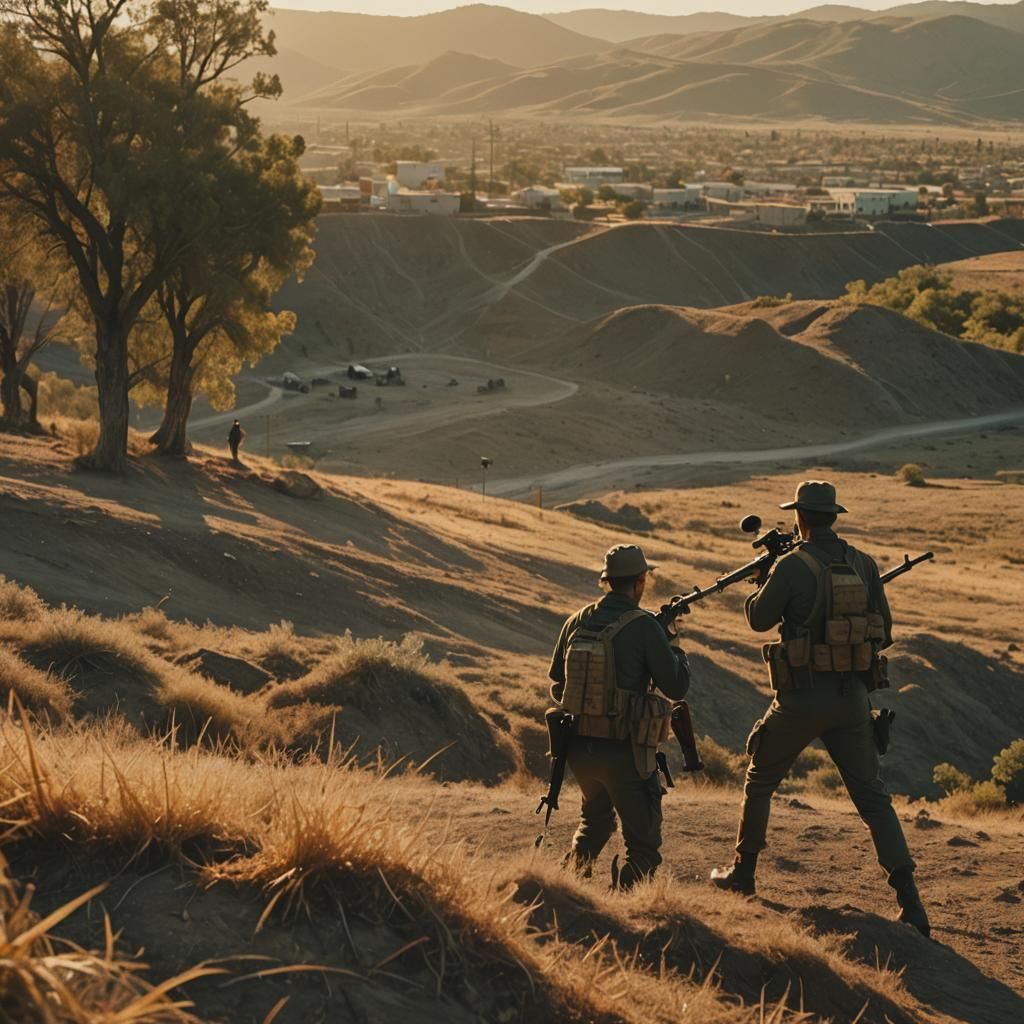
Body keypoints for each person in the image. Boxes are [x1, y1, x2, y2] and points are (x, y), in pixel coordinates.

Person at [709, 481, 930, 937]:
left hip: (801, 699)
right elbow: (883, 631)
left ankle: (743, 875)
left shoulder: (791, 565)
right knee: (874, 800)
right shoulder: (864, 563)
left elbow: (758, 619)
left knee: (760, 779)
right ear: (833, 516)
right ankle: (912, 905)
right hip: (852, 699)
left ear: (801, 518)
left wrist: (764, 583)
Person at [548, 544, 691, 890]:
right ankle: (627, 912)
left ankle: (568, 894)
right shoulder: (644, 626)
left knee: (594, 823)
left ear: (607, 581)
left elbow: (557, 685)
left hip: (580, 751)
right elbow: (676, 687)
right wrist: (672, 643)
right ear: (641, 581)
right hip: (625, 752)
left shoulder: (576, 621)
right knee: (643, 848)